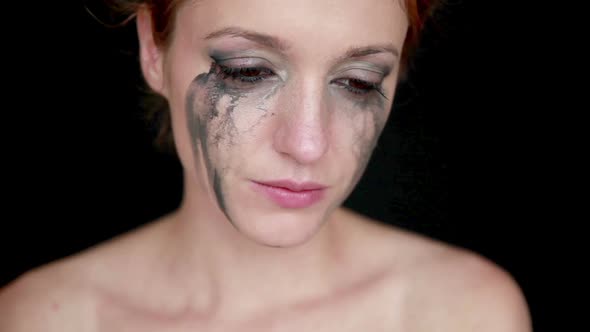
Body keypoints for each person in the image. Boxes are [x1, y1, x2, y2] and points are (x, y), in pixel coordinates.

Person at [0, 0, 532, 330]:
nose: (307, 143)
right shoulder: (42, 319)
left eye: (359, 81)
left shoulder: (460, 314)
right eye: (249, 72)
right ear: (153, 50)